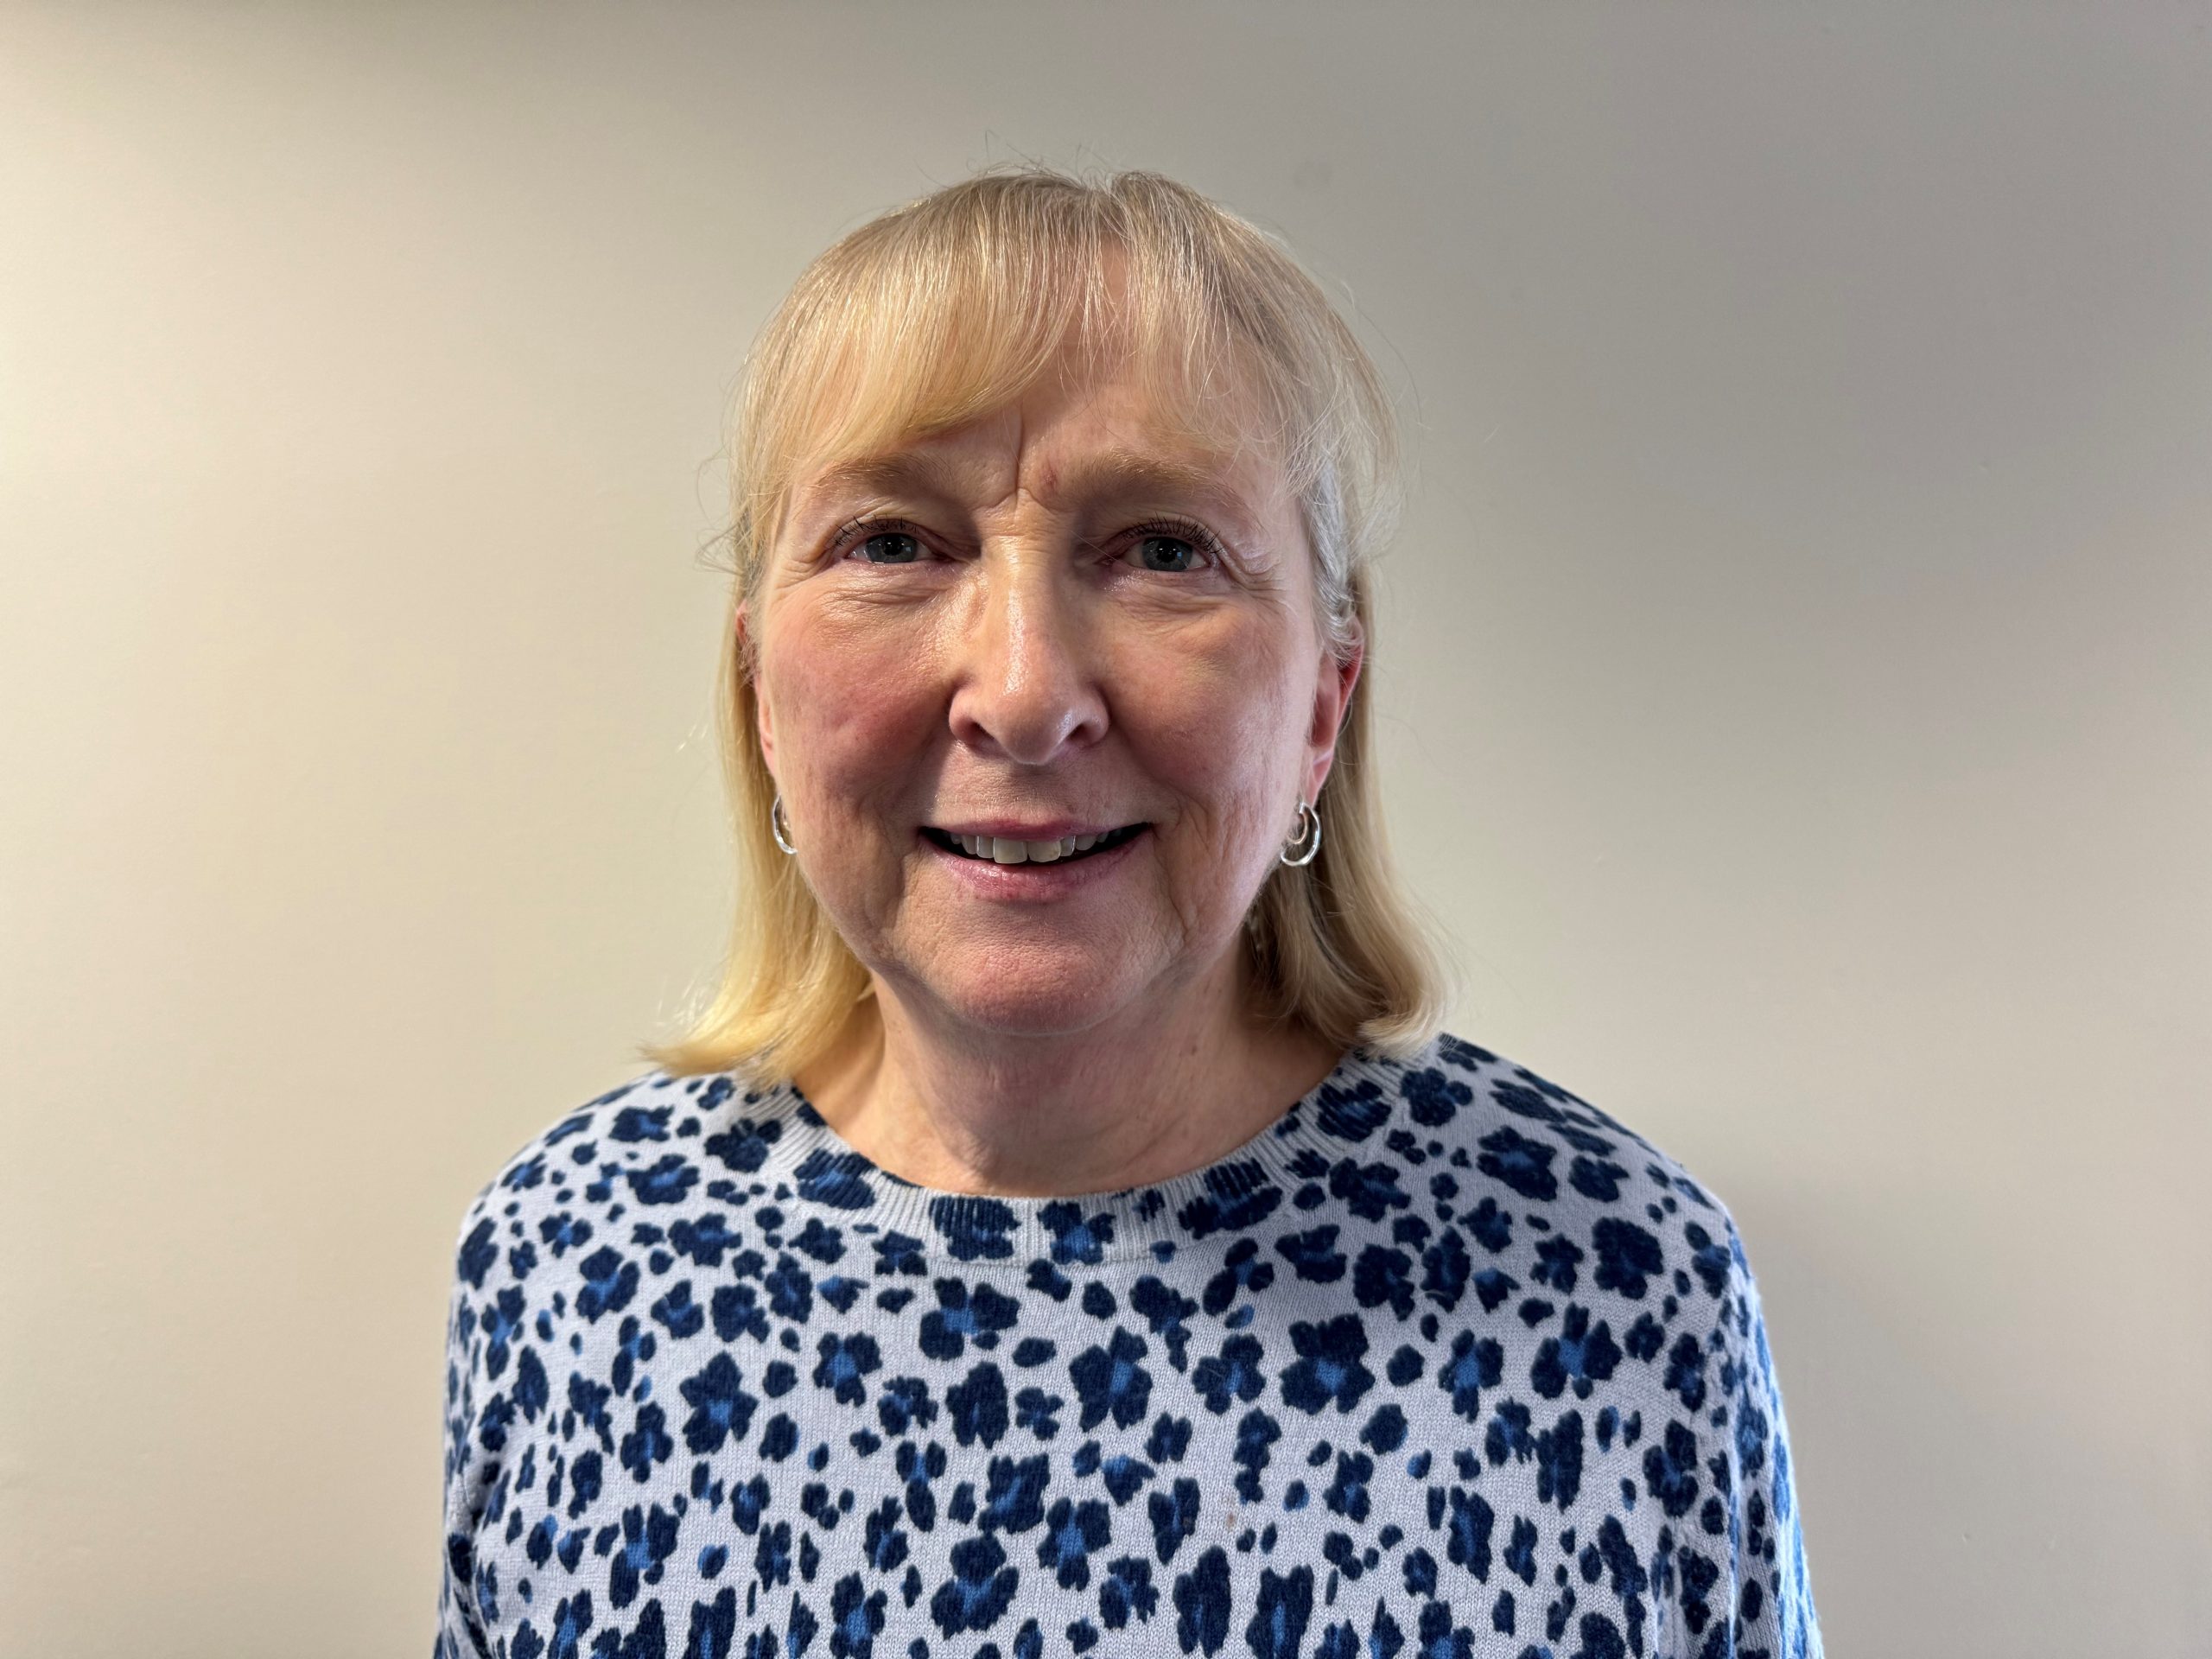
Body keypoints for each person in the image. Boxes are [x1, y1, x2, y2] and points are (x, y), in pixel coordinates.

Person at [434, 166, 1821, 1659]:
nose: (1026, 693)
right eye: (895, 543)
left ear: (1321, 711)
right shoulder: (576, 1264)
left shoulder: (1615, 1287)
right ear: (761, 694)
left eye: (1163, 550)